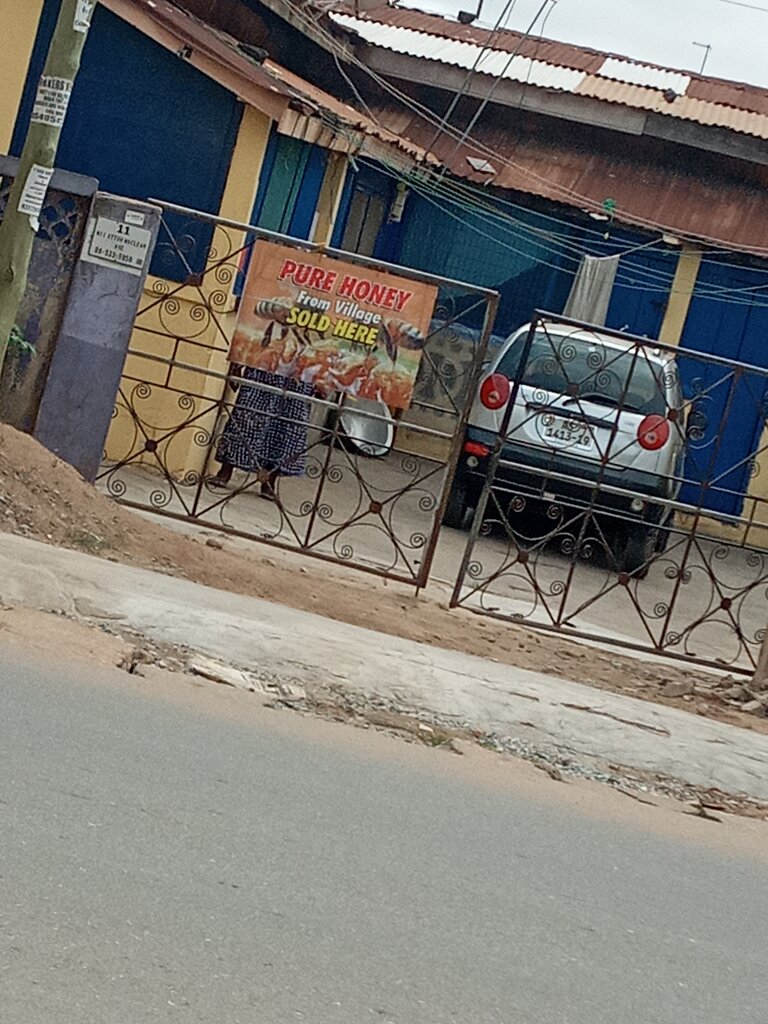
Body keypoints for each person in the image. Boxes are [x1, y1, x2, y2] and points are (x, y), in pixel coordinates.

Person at [211, 365, 313, 499]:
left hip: (300, 373)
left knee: (287, 426)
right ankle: (226, 468)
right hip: (265, 363)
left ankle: (270, 480)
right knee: (247, 417)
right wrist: (236, 363)